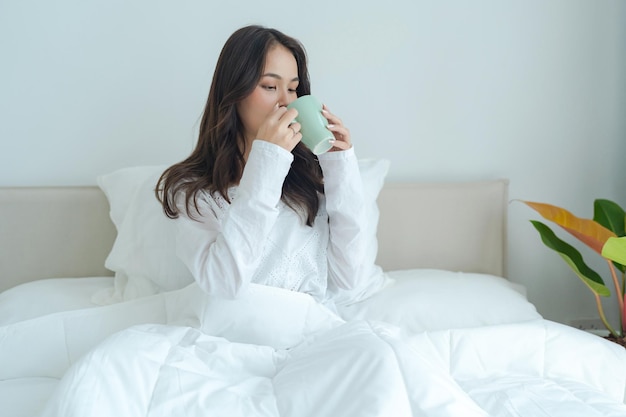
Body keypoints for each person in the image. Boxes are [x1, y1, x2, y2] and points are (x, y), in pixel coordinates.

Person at [156, 25, 366, 306]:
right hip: (231, 340)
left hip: (312, 334)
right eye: (270, 86)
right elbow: (224, 284)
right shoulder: (191, 191)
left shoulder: (309, 180)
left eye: (293, 89)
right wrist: (268, 160)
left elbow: (347, 280)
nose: (286, 102)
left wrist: (340, 167)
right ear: (235, 92)